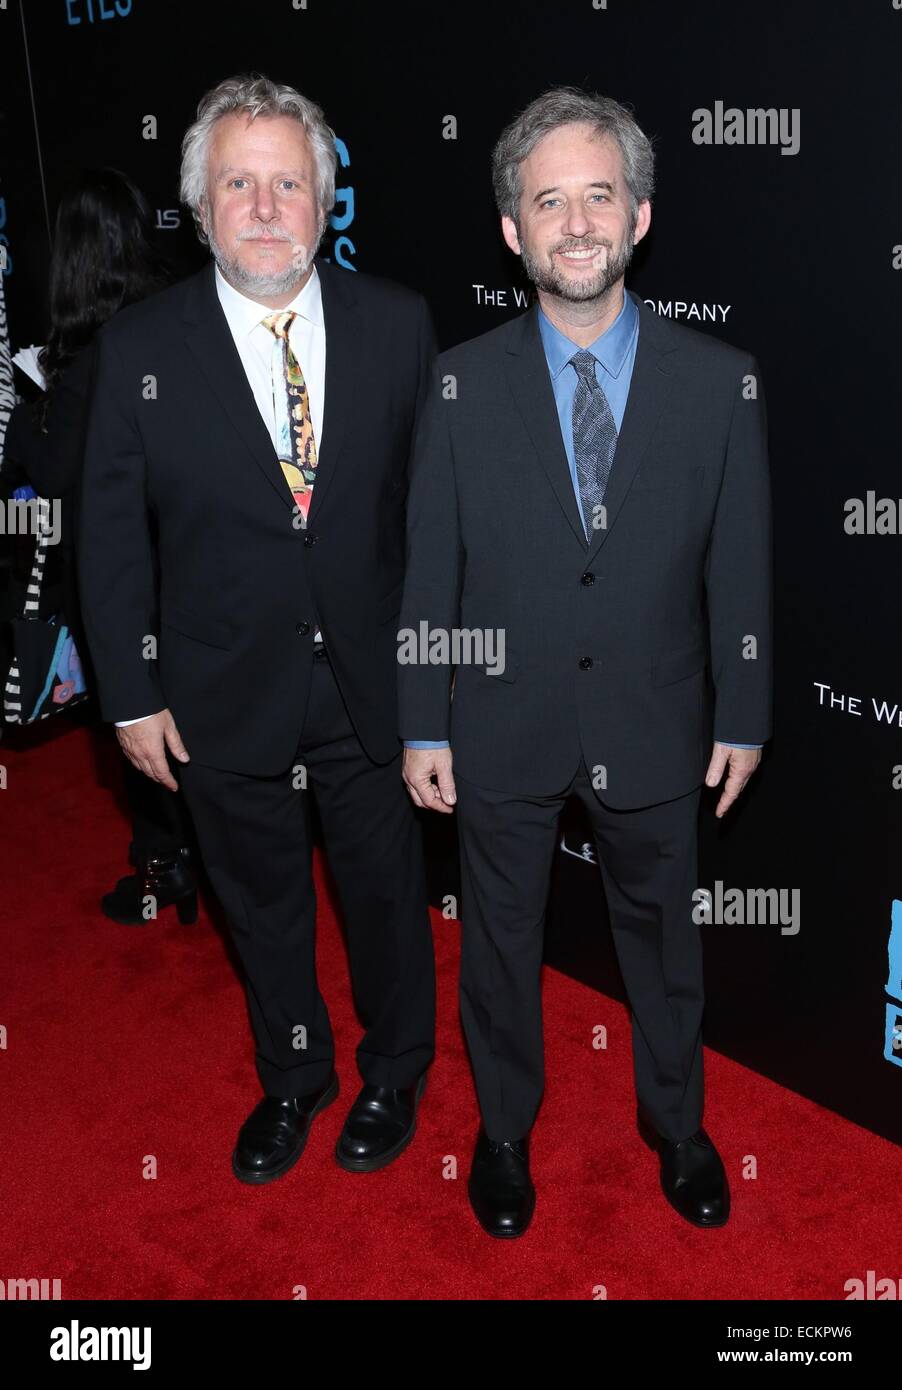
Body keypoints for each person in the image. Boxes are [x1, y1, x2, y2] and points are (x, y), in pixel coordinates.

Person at [399, 87, 772, 1238]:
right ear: (511, 230)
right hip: (499, 722)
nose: (574, 222)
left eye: (596, 195)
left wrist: (745, 709)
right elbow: (427, 567)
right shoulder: (458, 382)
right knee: (497, 945)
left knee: (662, 943)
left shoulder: (718, 381)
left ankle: (677, 1124)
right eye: (546, 200)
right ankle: (503, 1128)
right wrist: (421, 720)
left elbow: (741, 563)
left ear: (639, 215)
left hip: (656, 717)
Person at [78, 75, 437, 1185]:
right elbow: (109, 533)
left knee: (385, 900)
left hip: (372, 683)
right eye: (240, 181)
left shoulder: (397, 322)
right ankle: (295, 1078)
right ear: (199, 203)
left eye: (290, 181)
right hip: (219, 684)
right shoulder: (138, 344)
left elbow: (432, 524)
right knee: (261, 905)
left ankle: (392, 1071)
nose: (267, 205)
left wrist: (437, 689)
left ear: (328, 198)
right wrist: (131, 693)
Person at [1, 167, 199, 926]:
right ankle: (197, 861)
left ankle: (166, 864)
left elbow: (58, 483)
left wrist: (27, 418)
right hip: (188, 570)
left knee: (138, 730)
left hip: (118, 583)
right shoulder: (176, 317)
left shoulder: (89, 359)